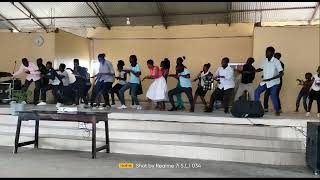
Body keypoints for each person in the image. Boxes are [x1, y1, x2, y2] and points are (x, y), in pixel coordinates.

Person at [254, 47, 284, 116]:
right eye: (266, 52)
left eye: (268, 52)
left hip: (274, 82)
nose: (266, 53)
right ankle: (256, 108)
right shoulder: (264, 60)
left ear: (272, 53)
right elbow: (261, 68)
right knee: (256, 92)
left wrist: (271, 78)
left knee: (273, 95)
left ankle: (277, 110)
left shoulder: (276, 61)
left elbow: (281, 73)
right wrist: (254, 70)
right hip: (265, 81)